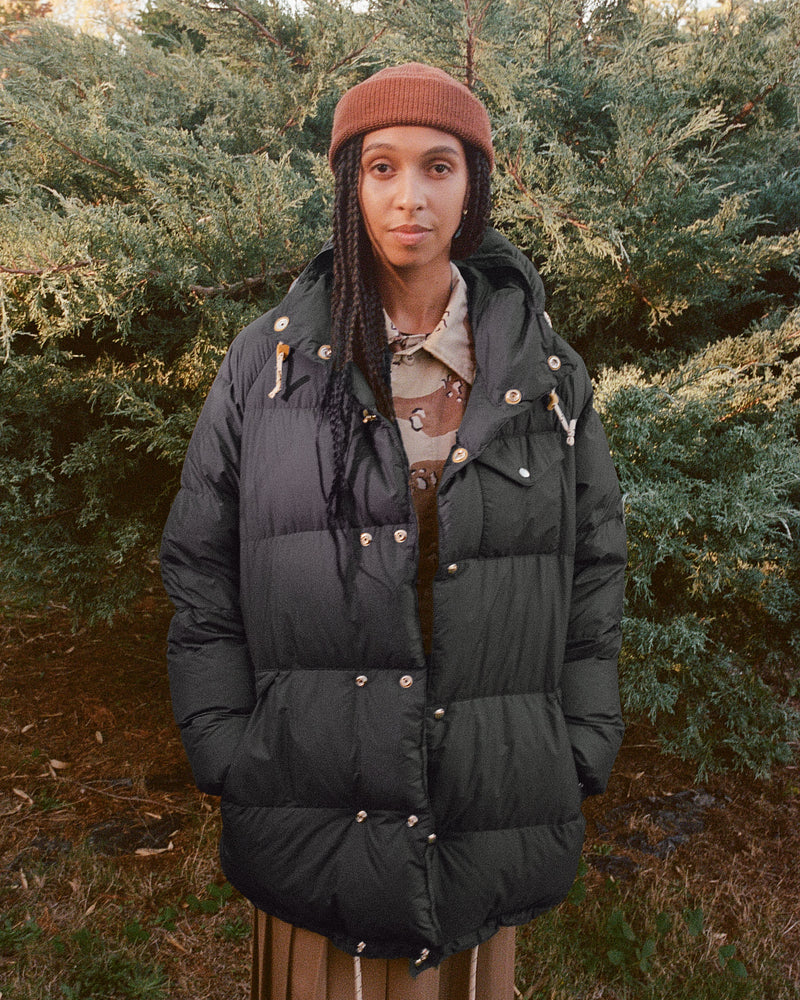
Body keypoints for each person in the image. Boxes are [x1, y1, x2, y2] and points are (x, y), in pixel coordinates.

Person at [160, 62, 626, 1000]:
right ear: (350, 184)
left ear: (474, 184)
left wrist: (577, 743)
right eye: (380, 168)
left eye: (438, 167)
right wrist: (223, 742)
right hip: (313, 797)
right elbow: (200, 562)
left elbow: (593, 573)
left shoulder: (545, 375)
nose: (409, 197)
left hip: (483, 803)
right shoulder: (272, 364)